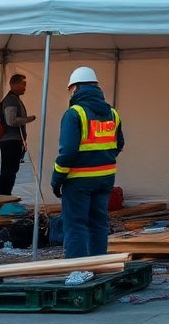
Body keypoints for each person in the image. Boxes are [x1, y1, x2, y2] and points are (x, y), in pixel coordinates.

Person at [51, 67, 123, 258]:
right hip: (105, 178)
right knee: (99, 223)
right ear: (96, 86)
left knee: (75, 224)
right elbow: (119, 144)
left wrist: (57, 179)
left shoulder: (74, 113)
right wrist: (103, 160)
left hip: (78, 180)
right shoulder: (112, 113)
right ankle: (97, 266)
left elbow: (67, 152)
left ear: (74, 88)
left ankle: (78, 270)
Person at [0, 73, 37, 197]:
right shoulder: (11, 99)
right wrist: (29, 119)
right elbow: (11, 120)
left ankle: (5, 196)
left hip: (12, 141)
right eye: (23, 84)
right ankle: (4, 197)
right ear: (14, 84)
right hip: (10, 141)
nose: (25, 87)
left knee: (10, 170)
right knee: (8, 171)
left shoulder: (14, 99)